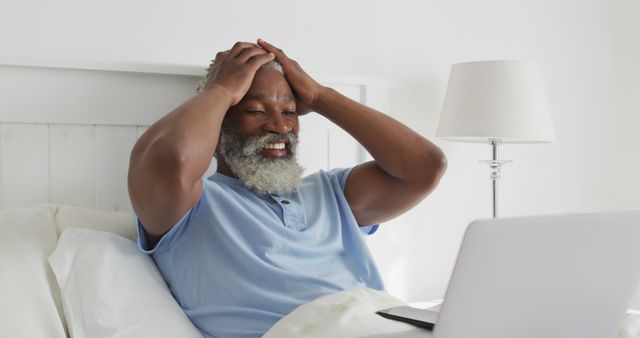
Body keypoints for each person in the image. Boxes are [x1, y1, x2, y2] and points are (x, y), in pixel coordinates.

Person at [128, 39, 447, 338]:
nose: (280, 127)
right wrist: (222, 89)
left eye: (290, 111)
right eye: (255, 110)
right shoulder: (188, 204)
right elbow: (173, 157)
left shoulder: (332, 192)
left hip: (378, 324)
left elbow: (426, 167)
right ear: (218, 121)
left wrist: (321, 97)